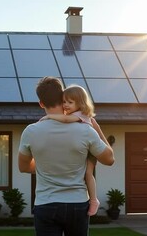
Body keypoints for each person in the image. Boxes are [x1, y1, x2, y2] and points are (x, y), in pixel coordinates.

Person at [18, 77, 114, 236]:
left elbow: (23, 167)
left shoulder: (30, 131)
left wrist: (46, 165)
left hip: (46, 204)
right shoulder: (86, 130)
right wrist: (95, 125)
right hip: (77, 204)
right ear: (62, 98)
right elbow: (109, 159)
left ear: (41, 103)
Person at [41, 84, 100, 216]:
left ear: (80, 103)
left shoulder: (81, 115)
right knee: (85, 174)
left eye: (70, 102)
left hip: (89, 150)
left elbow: (66, 119)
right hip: (83, 149)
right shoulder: (76, 114)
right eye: (64, 102)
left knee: (88, 174)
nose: (66, 105)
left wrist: (49, 117)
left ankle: (94, 200)